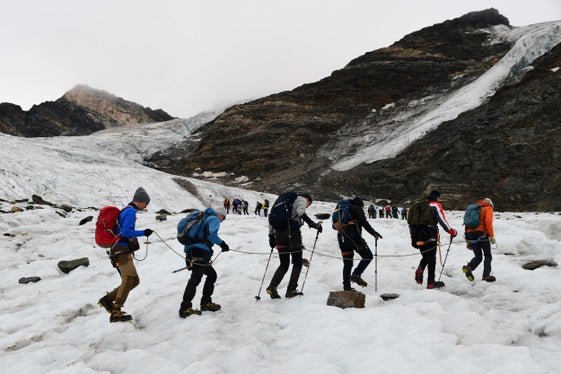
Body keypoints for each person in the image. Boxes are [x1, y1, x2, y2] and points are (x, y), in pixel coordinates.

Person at [98, 187, 154, 323]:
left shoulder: (127, 210)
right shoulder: (130, 212)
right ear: (140, 201)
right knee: (129, 279)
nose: (147, 205)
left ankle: (107, 300)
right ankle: (115, 311)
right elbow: (127, 232)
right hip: (121, 249)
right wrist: (144, 232)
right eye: (146, 202)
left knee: (135, 281)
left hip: (121, 249)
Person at [266, 193, 322, 299]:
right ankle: (291, 290)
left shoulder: (282, 204)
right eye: (308, 204)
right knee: (297, 263)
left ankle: (272, 287)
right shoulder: (301, 199)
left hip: (279, 236)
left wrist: (271, 237)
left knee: (284, 264)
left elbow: (272, 221)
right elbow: (300, 212)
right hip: (292, 235)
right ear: (308, 200)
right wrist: (313, 224)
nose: (306, 206)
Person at [179, 206, 230, 318]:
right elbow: (211, 234)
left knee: (212, 275)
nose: (222, 220)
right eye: (223, 218)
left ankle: (206, 303)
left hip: (192, 251)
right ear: (220, 214)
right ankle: (185, 308)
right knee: (195, 279)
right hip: (200, 251)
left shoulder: (203, 217)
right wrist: (222, 244)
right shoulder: (214, 219)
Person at [412, 190, 457, 289]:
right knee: (432, 258)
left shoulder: (419, 206)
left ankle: (420, 269)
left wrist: (413, 237)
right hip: (430, 234)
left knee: (425, 256)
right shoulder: (435, 205)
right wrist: (451, 231)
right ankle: (430, 283)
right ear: (437, 197)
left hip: (418, 234)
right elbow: (442, 220)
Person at [336, 197, 383, 290]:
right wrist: (373, 233)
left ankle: (346, 287)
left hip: (341, 237)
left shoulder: (342, 208)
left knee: (347, 262)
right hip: (353, 236)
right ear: (360, 204)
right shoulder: (356, 208)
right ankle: (356, 274)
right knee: (368, 256)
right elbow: (363, 222)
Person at [462, 198, 496, 282]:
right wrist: (491, 236)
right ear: (490, 204)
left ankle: (469, 267)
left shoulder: (474, 208)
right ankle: (486, 276)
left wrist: (467, 238)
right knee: (488, 255)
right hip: (482, 234)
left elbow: (467, 223)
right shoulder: (488, 208)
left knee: (478, 256)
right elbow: (488, 221)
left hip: (471, 234)